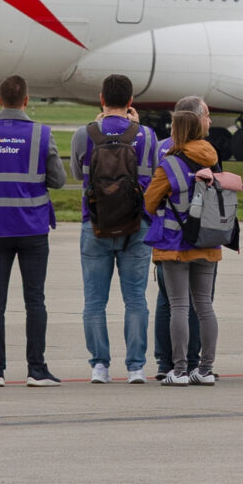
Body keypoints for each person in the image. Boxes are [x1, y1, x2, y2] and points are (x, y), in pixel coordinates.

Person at [0, 74, 65, 388]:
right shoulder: (41, 135)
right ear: (26, 101)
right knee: (35, 300)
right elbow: (59, 180)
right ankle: (37, 368)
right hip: (32, 228)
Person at [144, 106, 242, 384]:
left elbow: (150, 202)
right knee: (204, 306)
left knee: (178, 306)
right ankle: (206, 369)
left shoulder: (169, 165)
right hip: (209, 242)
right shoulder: (212, 158)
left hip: (175, 244)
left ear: (177, 132)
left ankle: (178, 370)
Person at [74, 74, 160, 384]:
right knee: (135, 298)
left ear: (101, 98)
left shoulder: (84, 134)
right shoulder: (147, 135)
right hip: (137, 224)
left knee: (94, 301)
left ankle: (100, 365)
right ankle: (136, 366)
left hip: (94, 223)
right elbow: (153, 171)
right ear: (131, 101)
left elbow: (77, 173)